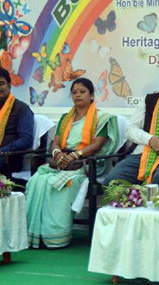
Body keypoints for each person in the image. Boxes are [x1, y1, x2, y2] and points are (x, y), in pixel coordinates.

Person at [26, 78, 120, 248]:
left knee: (57, 184)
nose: (78, 95)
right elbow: (56, 141)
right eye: (74, 92)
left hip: (85, 163)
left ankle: (55, 236)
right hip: (62, 160)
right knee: (37, 180)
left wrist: (75, 156)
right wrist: (58, 153)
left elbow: (97, 144)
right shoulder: (65, 118)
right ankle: (37, 234)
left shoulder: (102, 118)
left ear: (91, 95)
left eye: (82, 91)